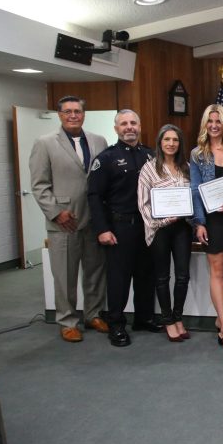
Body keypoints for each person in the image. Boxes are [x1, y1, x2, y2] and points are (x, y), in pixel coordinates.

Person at [29, 96, 108, 342]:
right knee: (65, 274)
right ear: (59, 115)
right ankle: (67, 320)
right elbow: (39, 185)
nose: (73, 115)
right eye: (68, 112)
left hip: (94, 218)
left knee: (95, 271)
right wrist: (55, 211)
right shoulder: (45, 143)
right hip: (64, 221)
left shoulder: (98, 141)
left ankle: (93, 314)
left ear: (84, 114)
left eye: (77, 111)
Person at [87, 110, 161, 347]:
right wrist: (102, 229)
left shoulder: (151, 154)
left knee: (146, 274)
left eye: (133, 123)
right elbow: (94, 196)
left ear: (140, 126)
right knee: (119, 279)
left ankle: (143, 317)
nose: (129, 127)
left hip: (147, 226)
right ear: (116, 128)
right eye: (124, 124)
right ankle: (117, 324)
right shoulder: (106, 158)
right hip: (120, 227)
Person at [190, 104, 223, 353]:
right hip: (213, 221)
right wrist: (199, 222)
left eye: (218, 121)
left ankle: (221, 318)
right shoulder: (198, 155)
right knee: (218, 270)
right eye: (209, 121)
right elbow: (195, 191)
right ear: (204, 124)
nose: (214, 125)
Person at [138, 125, 192, 342]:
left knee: (183, 276)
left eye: (175, 140)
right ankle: (167, 320)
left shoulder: (186, 167)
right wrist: (160, 220)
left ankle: (178, 317)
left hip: (182, 228)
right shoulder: (149, 169)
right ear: (160, 142)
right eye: (167, 139)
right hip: (159, 229)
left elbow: (192, 197)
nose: (171, 143)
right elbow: (143, 203)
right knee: (162, 277)